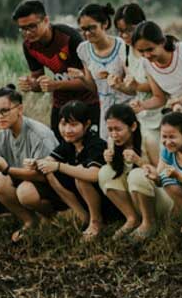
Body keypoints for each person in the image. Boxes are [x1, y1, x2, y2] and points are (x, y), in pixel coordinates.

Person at [0, 85, 60, 242]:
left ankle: (53, 216)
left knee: (25, 192)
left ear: (20, 109)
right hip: (27, 182)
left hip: (54, 185)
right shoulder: (3, 135)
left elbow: (45, 176)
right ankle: (29, 220)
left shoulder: (39, 134)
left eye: (5, 111)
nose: (0, 116)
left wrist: (7, 169)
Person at [33, 100, 120, 242]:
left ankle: (96, 221)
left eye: (73, 125)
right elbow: (48, 161)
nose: (67, 130)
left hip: (109, 200)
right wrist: (36, 163)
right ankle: (83, 217)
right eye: (63, 124)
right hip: (86, 197)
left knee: (81, 176)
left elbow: (93, 175)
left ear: (86, 125)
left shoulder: (95, 144)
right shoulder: (68, 143)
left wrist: (59, 166)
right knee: (50, 174)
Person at [11, 0, 97, 139]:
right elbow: (38, 80)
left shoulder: (70, 38)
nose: (27, 33)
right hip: (60, 105)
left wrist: (55, 85)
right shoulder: (28, 46)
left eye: (32, 26)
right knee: (60, 149)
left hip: (88, 102)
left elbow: (91, 82)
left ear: (46, 20)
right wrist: (32, 84)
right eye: (23, 29)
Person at [95, 103, 171, 243]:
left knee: (137, 174)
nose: (113, 134)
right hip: (136, 199)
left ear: (133, 126)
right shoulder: (112, 142)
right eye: (110, 129)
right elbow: (117, 175)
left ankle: (149, 223)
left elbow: (163, 179)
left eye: (118, 129)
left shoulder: (149, 140)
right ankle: (132, 218)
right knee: (105, 172)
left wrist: (140, 162)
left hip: (161, 199)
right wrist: (110, 161)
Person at [68, 2, 133, 126]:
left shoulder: (122, 46)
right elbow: (95, 88)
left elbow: (132, 88)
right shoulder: (83, 50)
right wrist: (81, 77)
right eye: (84, 29)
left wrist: (117, 84)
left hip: (126, 108)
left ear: (105, 24)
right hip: (105, 111)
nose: (87, 33)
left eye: (92, 28)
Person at [110, 3, 162, 151]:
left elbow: (159, 87)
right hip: (142, 114)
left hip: (161, 111)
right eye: (120, 31)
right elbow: (134, 90)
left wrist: (136, 86)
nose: (125, 35)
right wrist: (119, 85)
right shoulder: (125, 51)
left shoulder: (152, 51)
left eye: (130, 30)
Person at [129, 21, 182, 120]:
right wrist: (141, 105)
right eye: (141, 51)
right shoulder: (146, 64)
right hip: (181, 113)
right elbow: (159, 98)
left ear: (162, 42)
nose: (147, 55)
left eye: (150, 49)